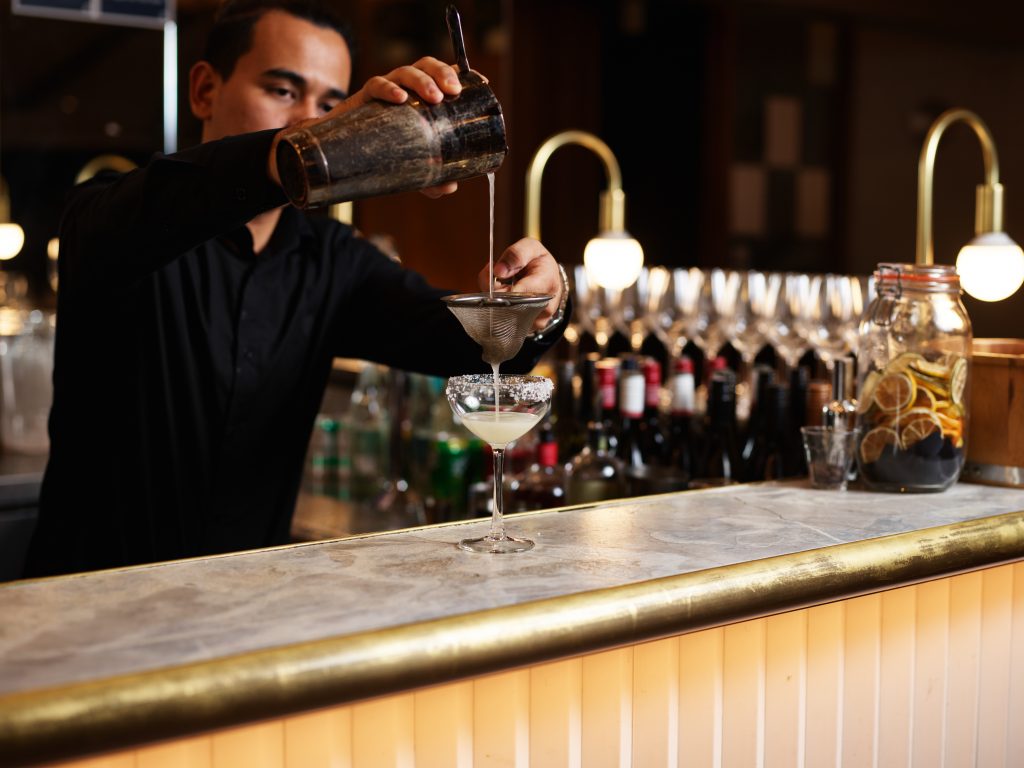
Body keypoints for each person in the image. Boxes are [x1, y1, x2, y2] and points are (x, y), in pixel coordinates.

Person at [24, 0, 568, 577]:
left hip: (250, 607)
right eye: (283, 91)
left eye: (331, 106)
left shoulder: (333, 261)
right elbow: (141, 214)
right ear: (204, 90)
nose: (313, 121)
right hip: (91, 604)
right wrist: (294, 153)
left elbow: (473, 345)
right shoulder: (114, 222)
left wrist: (540, 304)